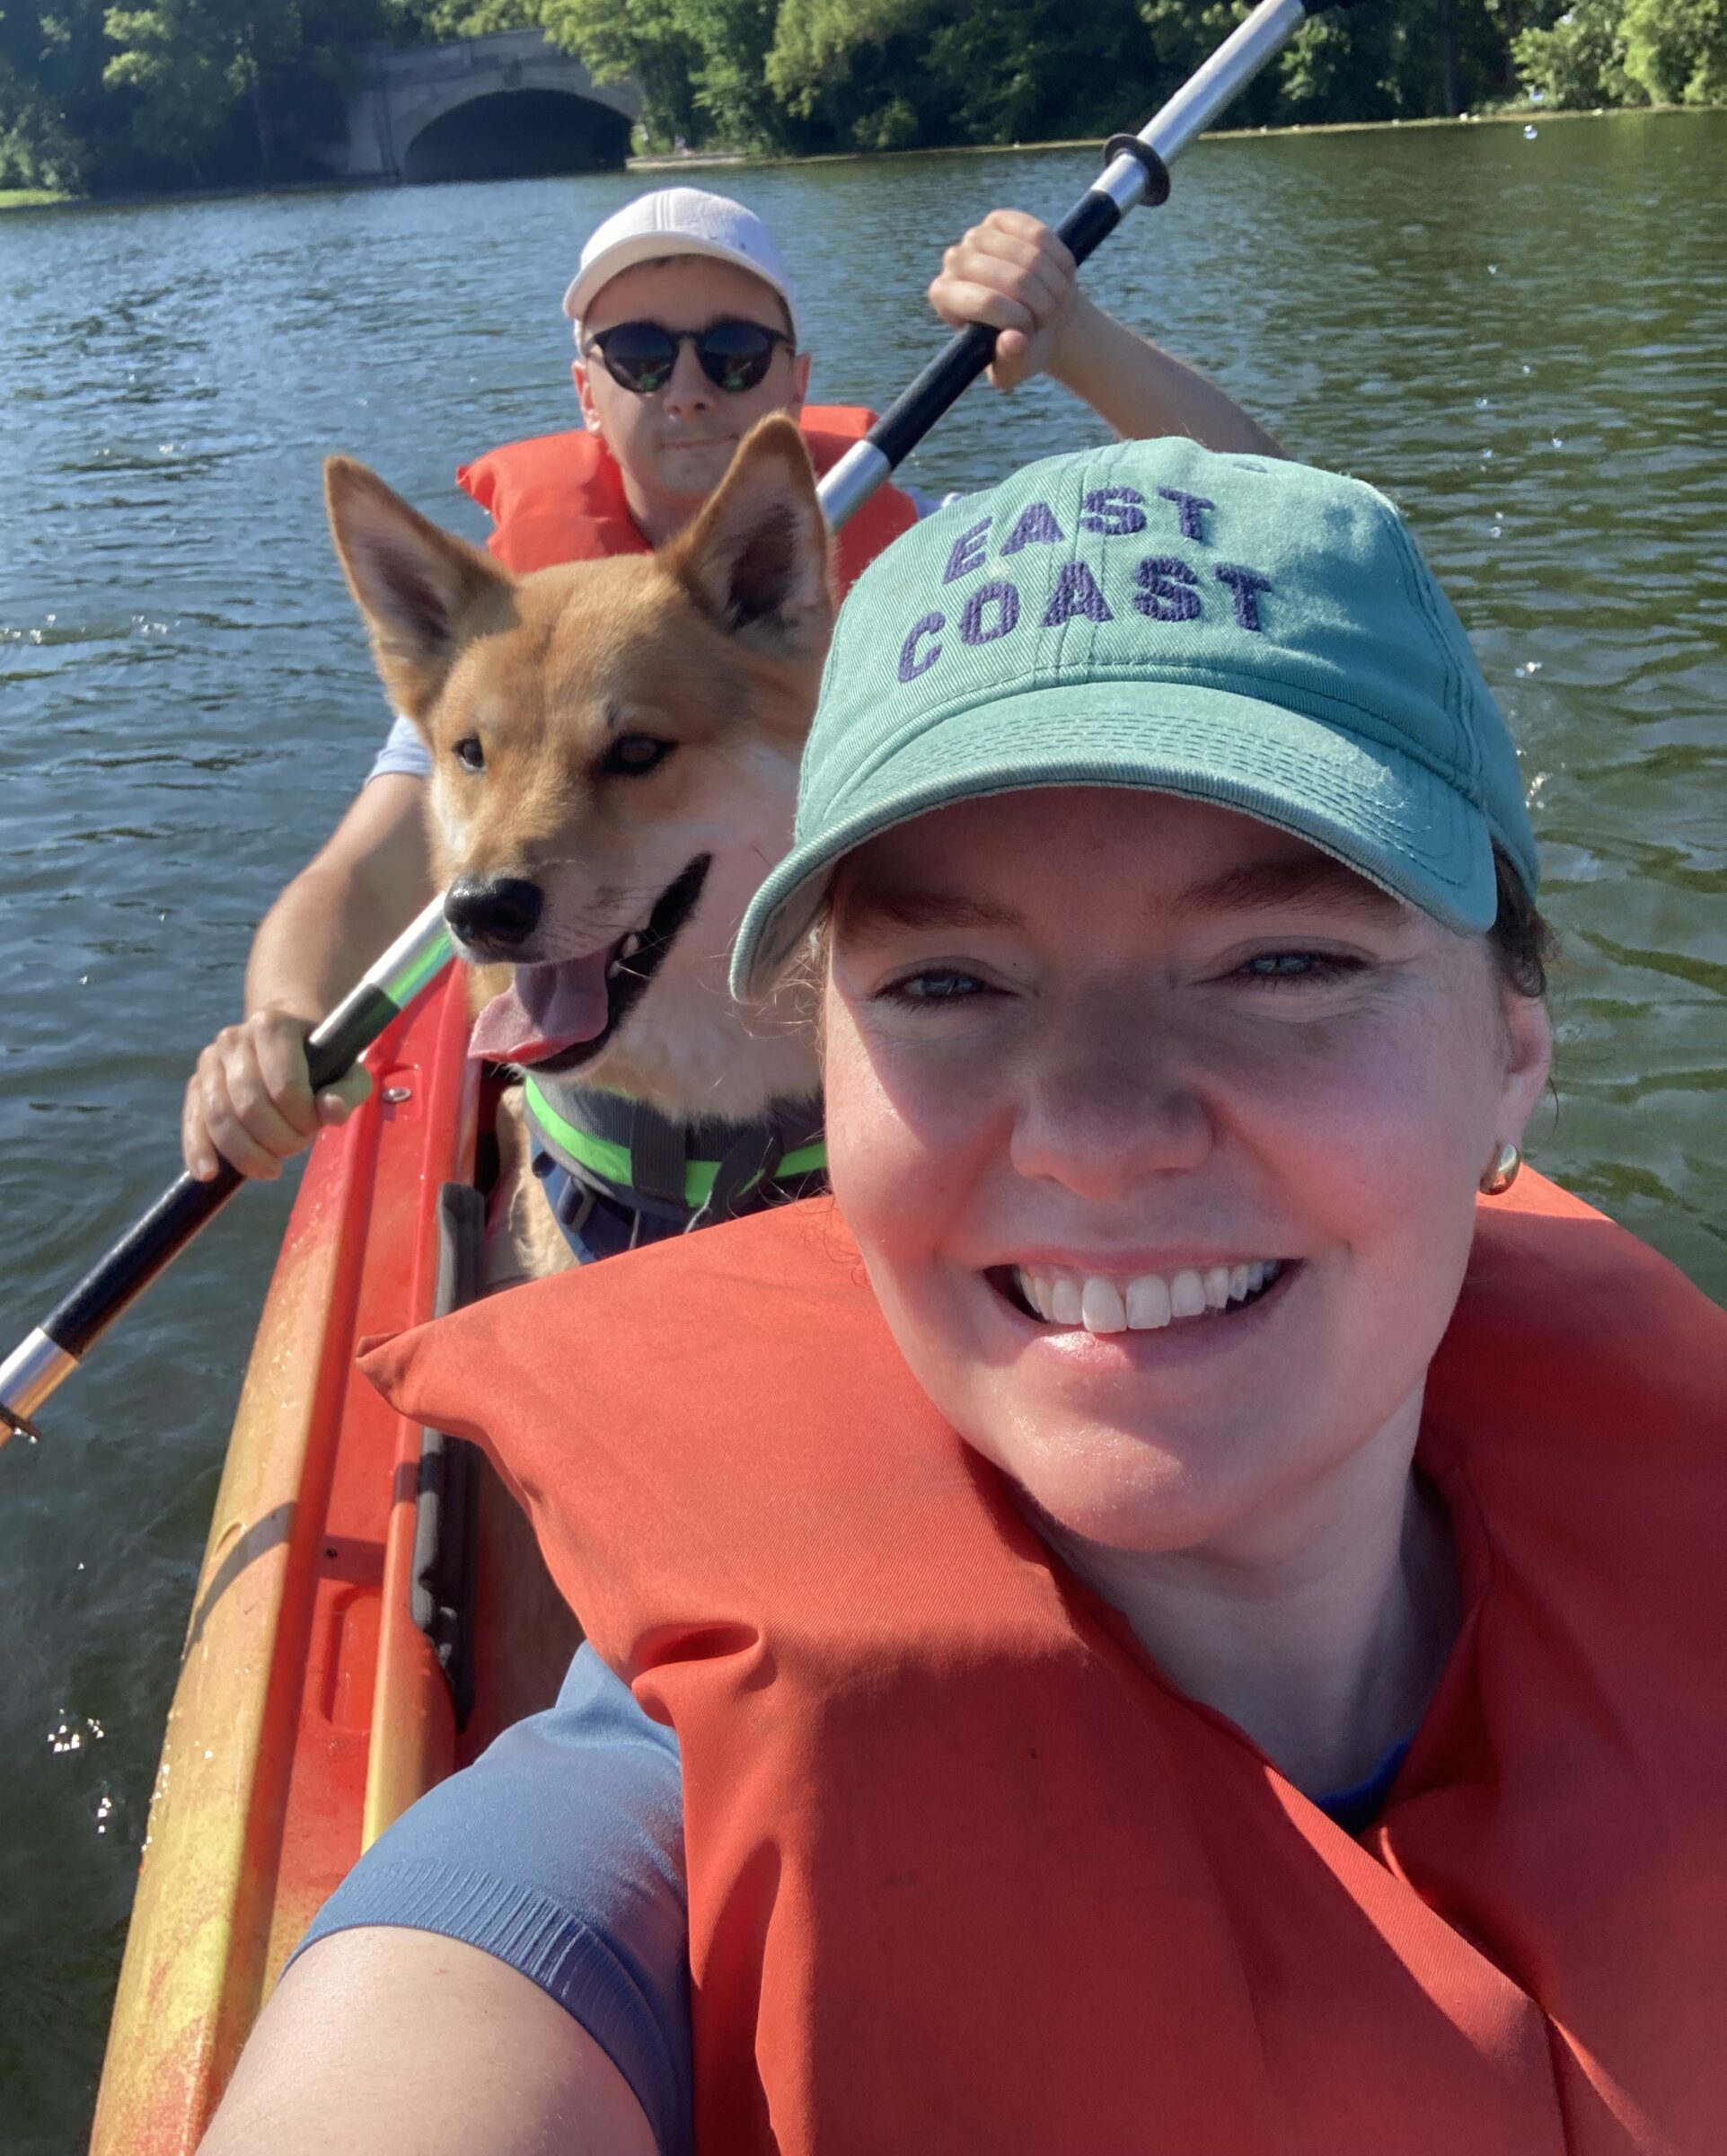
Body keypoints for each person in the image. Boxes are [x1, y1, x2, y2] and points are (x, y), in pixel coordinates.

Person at [199, 439, 1727, 2154]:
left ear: (1512, 1059)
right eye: (942, 980)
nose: (1094, 1136)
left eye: (1282, 961)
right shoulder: (627, 1829)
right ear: (828, 1073)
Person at [181, 187, 1282, 1187]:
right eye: (642, 354)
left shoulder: (926, 585)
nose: (692, 390)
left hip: (869, 1134)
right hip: (600, 1167)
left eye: (737, 352)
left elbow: (1255, 522)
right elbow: (360, 876)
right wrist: (276, 1027)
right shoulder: (491, 645)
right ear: (587, 388)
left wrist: (1077, 339)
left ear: (795, 379)